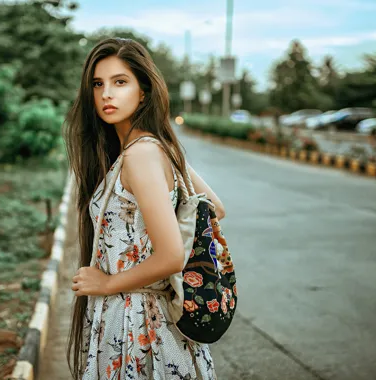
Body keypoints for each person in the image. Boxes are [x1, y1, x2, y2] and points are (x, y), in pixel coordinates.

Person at [64, 37, 226, 380]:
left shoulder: (141, 154)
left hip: (138, 322)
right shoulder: (155, 147)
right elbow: (215, 209)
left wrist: (108, 283)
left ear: (144, 92)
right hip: (148, 314)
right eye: (98, 83)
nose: (106, 93)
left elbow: (170, 257)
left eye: (120, 82)